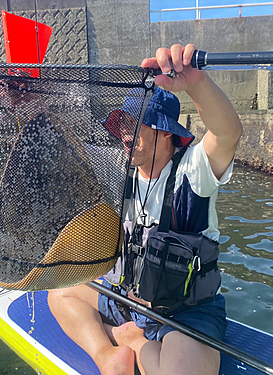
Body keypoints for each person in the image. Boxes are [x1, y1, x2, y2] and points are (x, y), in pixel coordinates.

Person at [47, 44, 243, 375]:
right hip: (125, 300)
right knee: (59, 293)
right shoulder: (115, 170)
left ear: (166, 131)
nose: (125, 132)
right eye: (123, 123)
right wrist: (25, 106)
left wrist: (195, 83)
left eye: (136, 124)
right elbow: (65, 146)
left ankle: (137, 344)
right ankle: (106, 354)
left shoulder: (192, 171)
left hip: (183, 314)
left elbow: (228, 134)